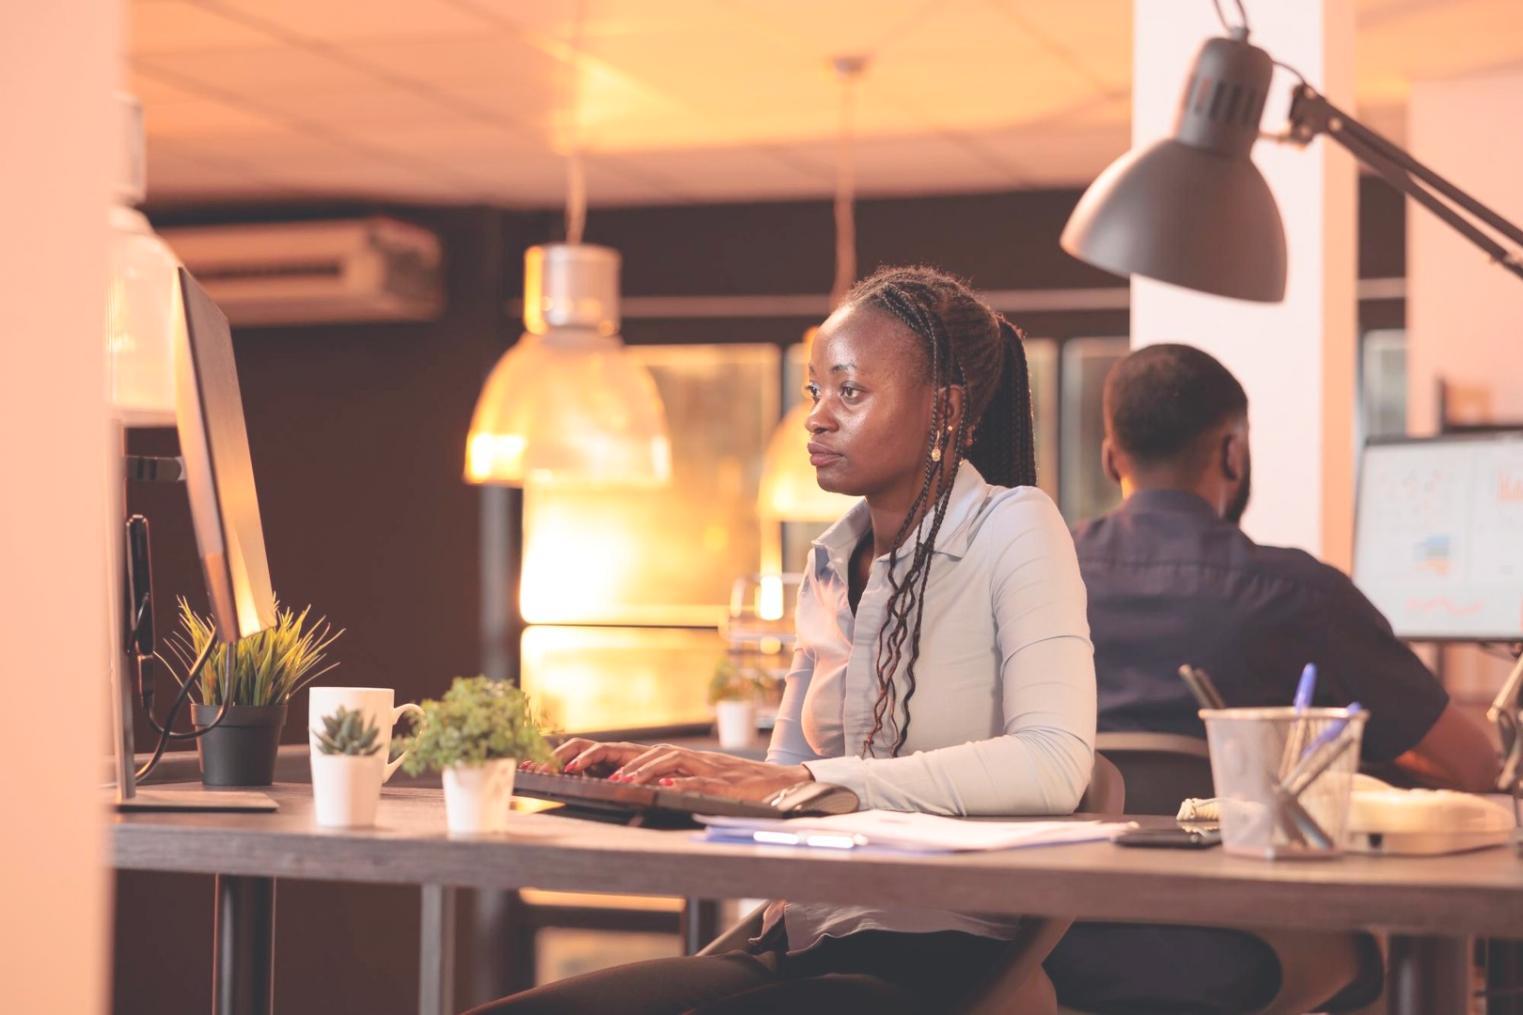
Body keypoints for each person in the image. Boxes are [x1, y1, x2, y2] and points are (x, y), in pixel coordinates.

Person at [471, 266, 1097, 1015]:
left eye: (850, 392)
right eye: (814, 393)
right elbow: (783, 782)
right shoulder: (828, 562)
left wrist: (813, 785)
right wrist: (672, 778)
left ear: (945, 407)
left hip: (937, 961)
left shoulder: (1014, 526)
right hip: (797, 939)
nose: (816, 417)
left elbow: (1054, 762)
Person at [1044, 342, 1500, 1015]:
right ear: (1233, 452)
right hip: (1258, 941)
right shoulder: (1298, 594)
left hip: (1054, 937)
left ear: (1111, 457)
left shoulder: (1043, 582)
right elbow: (1474, 764)